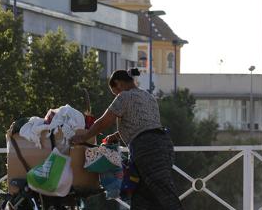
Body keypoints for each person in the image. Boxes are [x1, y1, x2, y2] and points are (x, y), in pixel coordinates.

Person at [70, 69, 183, 210]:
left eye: (114, 92)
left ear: (118, 84)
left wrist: (84, 136)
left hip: (147, 149)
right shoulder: (148, 97)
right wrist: (116, 136)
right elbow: (142, 124)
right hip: (162, 144)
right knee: (142, 198)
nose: (116, 95)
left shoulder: (124, 96)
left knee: (164, 193)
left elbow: (104, 121)